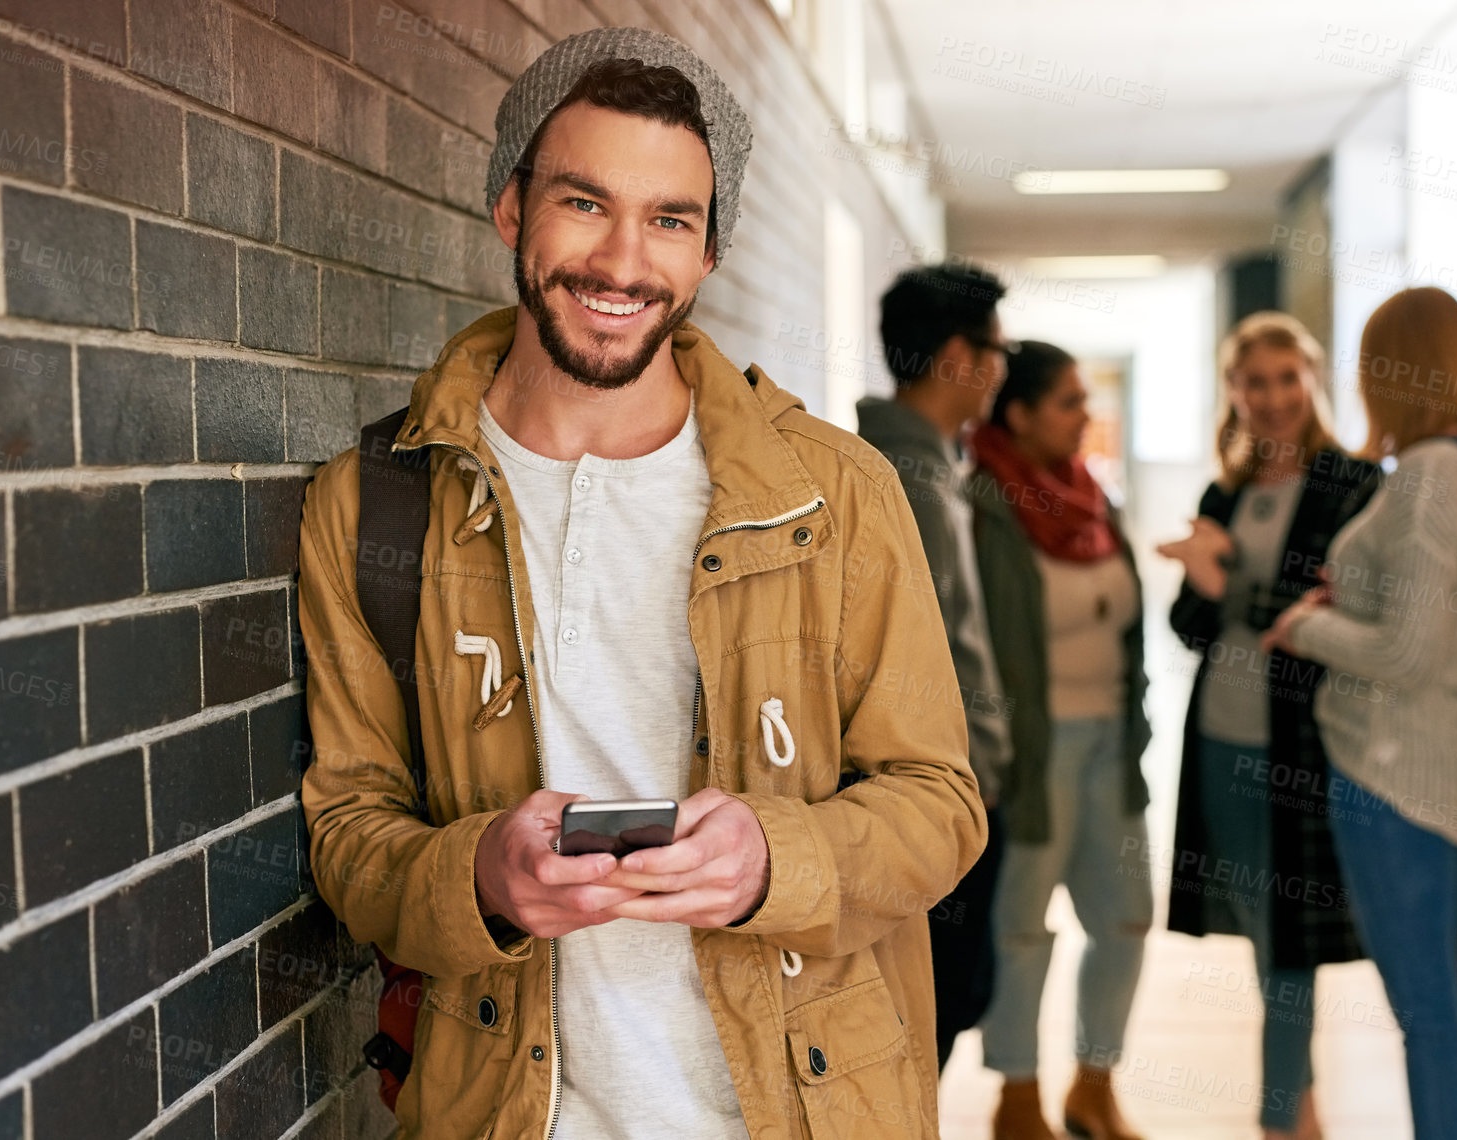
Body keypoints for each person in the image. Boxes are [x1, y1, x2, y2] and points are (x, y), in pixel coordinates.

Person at [297, 28, 985, 1140]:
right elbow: (349, 830)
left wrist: (778, 859)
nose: (623, 262)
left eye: (670, 220)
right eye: (584, 203)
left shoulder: (836, 496)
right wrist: (479, 875)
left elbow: (938, 807)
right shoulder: (376, 504)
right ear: (511, 208)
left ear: (709, 252)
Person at [1261, 287, 1457, 1140]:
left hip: (1397, 770)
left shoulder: (1426, 477)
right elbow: (1440, 616)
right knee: (1438, 993)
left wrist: (1308, 626)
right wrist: (1355, 599)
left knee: (1423, 1003)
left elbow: (1406, 653)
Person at [1155, 312, 1379, 1140]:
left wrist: (1223, 583)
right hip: (1219, 736)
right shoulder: (1226, 491)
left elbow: (1346, 618)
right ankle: (1302, 1098)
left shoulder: (1354, 486)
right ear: (1234, 394)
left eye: (1289, 378)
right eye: (1257, 382)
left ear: (1312, 381)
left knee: (1287, 936)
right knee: (1260, 922)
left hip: (1303, 747)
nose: (1275, 396)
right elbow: (1187, 625)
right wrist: (1203, 585)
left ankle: (1280, 1115)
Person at [970, 341, 1153, 1140]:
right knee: (1020, 928)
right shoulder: (982, 504)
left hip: (1113, 746)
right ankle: (1016, 1097)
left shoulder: (1093, 497)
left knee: (1125, 918)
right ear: (1020, 413)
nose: (1086, 416)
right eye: (1070, 402)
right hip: (1032, 757)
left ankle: (1094, 1083)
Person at [858, 264, 1014, 1069]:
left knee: (951, 1001)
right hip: (936, 788)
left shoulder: (932, 462)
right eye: (996, 349)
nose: (1000, 369)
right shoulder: (904, 475)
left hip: (957, 779)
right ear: (958, 355)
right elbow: (928, 652)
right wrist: (972, 768)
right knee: (934, 1011)